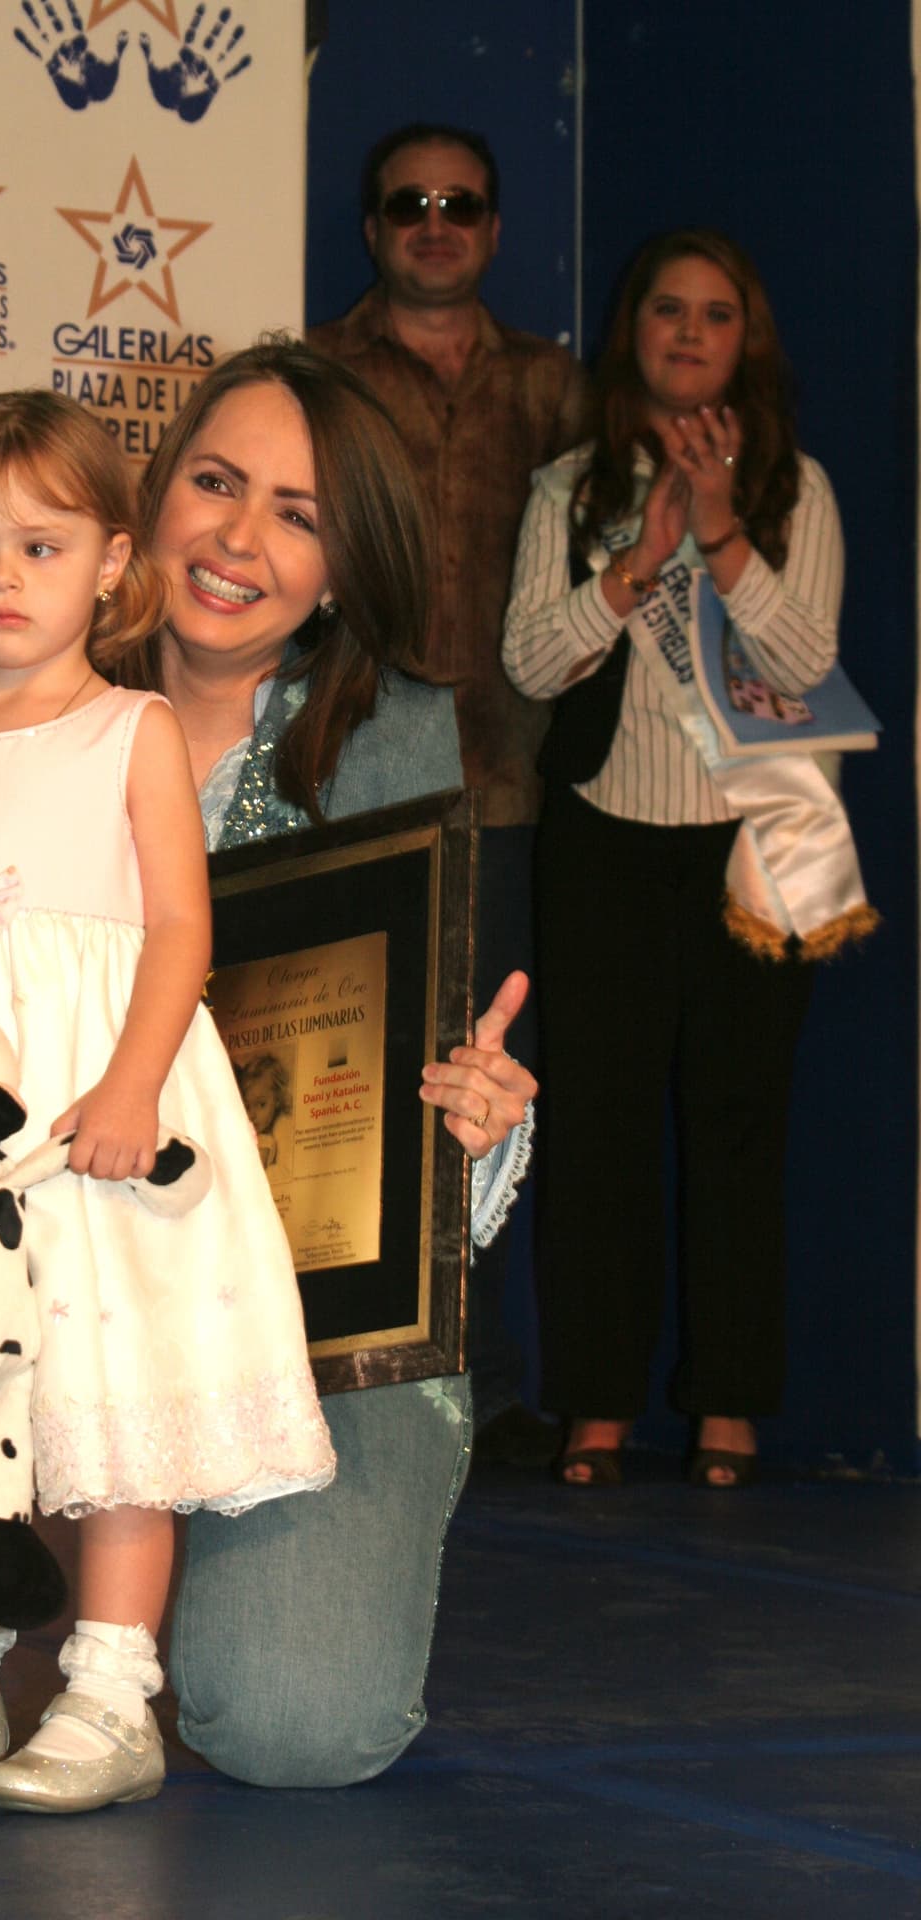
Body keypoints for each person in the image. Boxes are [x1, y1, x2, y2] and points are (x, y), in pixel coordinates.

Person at [0, 339, 536, 1791]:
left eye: (298, 513)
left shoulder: (391, 738)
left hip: (292, 1285)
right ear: (141, 520)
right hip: (13, 1226)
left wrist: (474, 1126)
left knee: (297, 1731)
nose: (239, 537)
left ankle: (111, 1674)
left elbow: (393, 1028)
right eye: (216, 484)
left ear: (346, 564)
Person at [0, 389, 338, 1809]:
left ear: (111, 562)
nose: (3, 581)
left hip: (89, 1136)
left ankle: (107, 1697)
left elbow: (177, 934)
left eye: (41, 547)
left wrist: (131, 1085)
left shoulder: (133, 732)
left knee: (110, 1408)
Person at [502, 229, 875, 1490]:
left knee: (734, 1128)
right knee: (597, 1130)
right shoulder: (568, 487)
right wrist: (633, 568)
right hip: (602, 834)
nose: (686, 331)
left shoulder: (792, 487)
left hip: (751, 845)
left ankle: (727, 1405)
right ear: (634, 331)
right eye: (666, 310)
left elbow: (805, 666)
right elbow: (529, 665)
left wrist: (718, 532)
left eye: (714, 315)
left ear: (742, 343)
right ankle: (596, 1404)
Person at [309, 120, 589, 1464]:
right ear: (372, 226)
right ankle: (347, 1364)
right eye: (408, 202)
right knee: (350, 1082)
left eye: (461, 205)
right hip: (353, 780)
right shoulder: (315, 377)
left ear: (492, 226)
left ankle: (496, 1390)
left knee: (497, 1088)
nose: (435, 222)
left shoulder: (557, 389)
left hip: (515, 789)